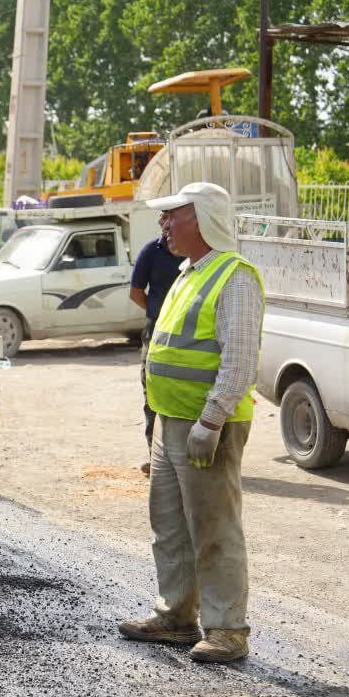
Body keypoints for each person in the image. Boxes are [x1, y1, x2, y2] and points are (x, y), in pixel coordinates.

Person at [118, 181, 264, 664]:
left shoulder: (235, 278)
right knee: (171, 526)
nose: (163, 224)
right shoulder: (187, 272)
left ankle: (227, 630)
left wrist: (212, 419)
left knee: (214, 528)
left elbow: (239, 361)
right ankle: (176, 618)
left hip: (206, 427)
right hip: (171, 422)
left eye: (172, 216)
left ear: (199, 219)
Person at [129, 231, 184, 474]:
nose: (166, 223)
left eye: (170, 217)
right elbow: (136, 293)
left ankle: (187, 457)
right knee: (152, 393)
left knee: (183, 394)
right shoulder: (152, 250)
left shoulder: (196, 254)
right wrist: (160, 313)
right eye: (163, 218)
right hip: (156, 331)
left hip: (188, 334)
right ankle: (157, 458)